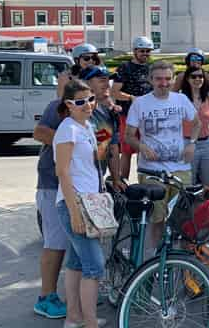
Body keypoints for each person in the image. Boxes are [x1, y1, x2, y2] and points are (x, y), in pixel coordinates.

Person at [124, 60, 199, 247]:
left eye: (168, 79)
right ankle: (157, 264)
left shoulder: (180, 100)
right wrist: (142, 147)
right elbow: (129, 136)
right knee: (157, 219)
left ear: (173, 79)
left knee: (184, 219)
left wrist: (192, 143)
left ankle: (181, 261)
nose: (164, 83)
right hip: (152, 171)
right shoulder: (140, 103)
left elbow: (196, 122)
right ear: (150, 80)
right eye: (159, 79)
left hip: (180, 168)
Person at [53, 79, 106, 328]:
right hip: (76, 204)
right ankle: (90, 322)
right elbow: (62, 172)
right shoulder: (68, 128)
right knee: (95, 266)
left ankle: (74, 317)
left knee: (76, 263)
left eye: (91, 99)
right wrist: (74, 213)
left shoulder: (86, 126)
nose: (88, 105)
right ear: (69, 105)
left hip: (88, 202)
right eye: (81, 101)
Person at [32, 94, 69, 320]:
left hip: (82, 188)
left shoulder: (105, 110)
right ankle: (46, 298)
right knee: (55, 243)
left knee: (69, 244)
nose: (106, 83)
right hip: (52, 184)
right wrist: (71, 139)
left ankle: (73, 294)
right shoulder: (58, 106)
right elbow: (39, 132)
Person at [111, 36, 155, 180]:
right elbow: (114, 92)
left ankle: (144, 180)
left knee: (145, 149)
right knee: (127, 150)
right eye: (142, 51)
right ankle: (123, 182)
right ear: (135, 51)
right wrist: (131, 98)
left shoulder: (151, 68)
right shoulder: (125, 67)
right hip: (128, 116)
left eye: (148, 51)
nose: (145, 54)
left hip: (148, 116)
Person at [79, 65, 123, 191]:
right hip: (74, 183)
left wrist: (116, 180)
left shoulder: (108, 112)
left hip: (97, 181)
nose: (108, 85)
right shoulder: (69, 110)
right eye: (102, 80)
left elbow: (112, 148)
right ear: (85, 83)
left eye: (108, 80)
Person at [179, 65, 209, 189]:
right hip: (187, 144)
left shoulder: (207, 96)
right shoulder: (181, 98)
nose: (198, 79)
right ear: (187, 79)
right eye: (194, 76)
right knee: (188, 183)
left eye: (201, 76)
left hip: (207, 144)